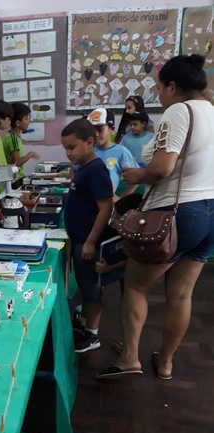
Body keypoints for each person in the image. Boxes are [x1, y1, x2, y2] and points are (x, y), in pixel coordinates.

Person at [96, 54, 214, 380]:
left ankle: (129, 359)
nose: (159, 95)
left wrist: (138, 175)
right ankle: (165, 364)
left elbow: (162, 168)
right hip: (210, 211)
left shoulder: (179, 111)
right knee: (182, 294)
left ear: (172, 86)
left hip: (179, 213)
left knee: (135, 286)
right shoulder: (211, 111)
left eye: (159, 88)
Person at [61, 118, 113, 353]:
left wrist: (90, 242)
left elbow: (106, 207)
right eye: (66, 148)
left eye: (72, 147)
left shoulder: (96, 169)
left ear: (89, 142)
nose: (68, 153)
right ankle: (85, 325)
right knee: (84, 285)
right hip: (79, 240)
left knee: (92, 289)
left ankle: (92, 334)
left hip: (88, 242)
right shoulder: (84, 168)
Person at [86, 107, 138, 201]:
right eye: (92, 130)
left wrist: (121, 200)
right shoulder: (87, 150)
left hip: (107, 205)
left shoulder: (121, 152)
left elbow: (136, 179)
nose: (96, 134)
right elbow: (75, 171)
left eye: (100, 129)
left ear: (111, 129)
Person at [3, 102, 39, 188]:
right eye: (26, 119)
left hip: (17, 177)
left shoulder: (14, 137)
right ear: (18, 123)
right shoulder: (13, 138)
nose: (28, 121)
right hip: (14, 180)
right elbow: (17, 162)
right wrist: (30, 154)